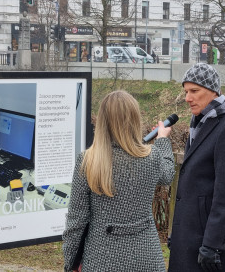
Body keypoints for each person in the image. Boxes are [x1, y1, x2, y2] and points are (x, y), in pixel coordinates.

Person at [63, 90, 175, 271]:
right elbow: (168, 174)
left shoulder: (88, 161)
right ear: (135, 119)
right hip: (147, 258)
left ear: (102, 121)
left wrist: (71, 263)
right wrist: (162, 139)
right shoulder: (152, 156)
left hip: (102, 259)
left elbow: (76, 222)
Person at [168, 63, 225, 271]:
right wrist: (179, 231)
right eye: (186, 91)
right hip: (193, 235)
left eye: (194, 91)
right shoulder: (199, 123)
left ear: (213, 91)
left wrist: (212, 246)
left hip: (216, 243)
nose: (188, 98)